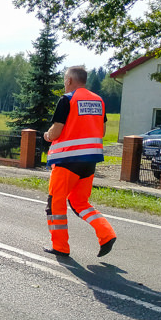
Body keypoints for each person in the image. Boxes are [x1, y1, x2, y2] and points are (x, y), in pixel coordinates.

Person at [43, 66, 116, 258]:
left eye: (64, 80)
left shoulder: (67, 100)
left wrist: (47, 136)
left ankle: (60, 247)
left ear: (69, 81)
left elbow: (56, 131)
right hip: (89, 162)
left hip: (67, 161)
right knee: (79, 201)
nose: (64, 83)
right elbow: (102, 131)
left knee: (55, 204)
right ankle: (106, 233)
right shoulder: (99, 101)